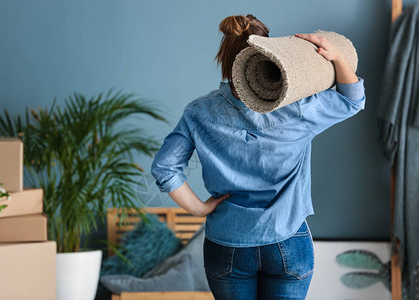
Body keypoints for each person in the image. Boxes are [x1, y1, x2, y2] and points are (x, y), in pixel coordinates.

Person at [151, 14, 366, 300]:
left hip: (227, 245)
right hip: (288, 241)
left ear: (226, 59)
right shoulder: (298, 109)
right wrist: (337, 56)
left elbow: (165, 168)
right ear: (268, 52)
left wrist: (200, 209)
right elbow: (352, 99)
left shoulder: (198, 113)